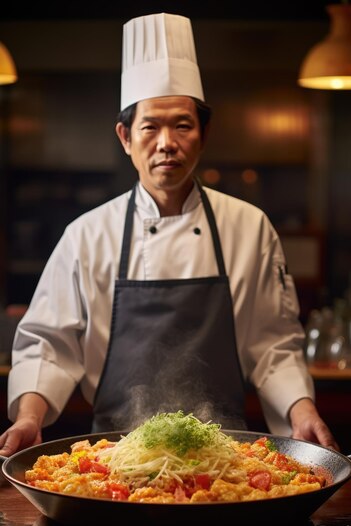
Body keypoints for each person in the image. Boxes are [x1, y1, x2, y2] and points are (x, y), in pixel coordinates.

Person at [0, 13, 338, 457]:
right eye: (150, 127)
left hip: (228, 460)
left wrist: (302, 412)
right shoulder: (87, 234)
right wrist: (29, 418)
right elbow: (49, 345)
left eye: (182, 125)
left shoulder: (248, 226)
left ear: (204, 133)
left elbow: (274, 342)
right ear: (125, 137)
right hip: (112, 463)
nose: (166, 143)